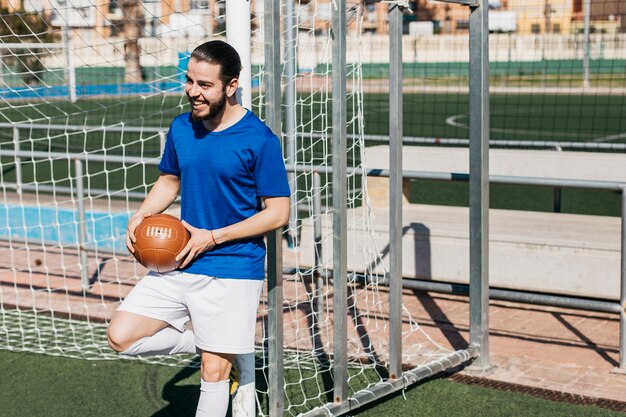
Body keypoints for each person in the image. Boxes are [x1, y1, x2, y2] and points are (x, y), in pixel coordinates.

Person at [107, 40, 290, 417]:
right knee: (120, 336)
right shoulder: (181, 128)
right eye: (189, 81)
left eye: (204, 85)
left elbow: (278, 214)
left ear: (231, 85)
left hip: (233, 267)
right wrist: (140, 215)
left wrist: (213, 237)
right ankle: (220, 343)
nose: (193, 92)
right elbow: (169, 181)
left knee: (212, 372)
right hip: (180, 261)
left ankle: (222, 352)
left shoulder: (260, 140)